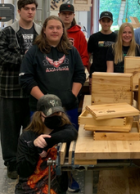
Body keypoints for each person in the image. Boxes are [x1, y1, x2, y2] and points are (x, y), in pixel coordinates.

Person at [19, 15, 85, 192]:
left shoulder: (71, 51)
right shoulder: (34, 51)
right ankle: (39, 180)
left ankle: (67, 177)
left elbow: (80, 74)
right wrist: (45, 102)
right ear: (45, 30)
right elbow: (26, 80)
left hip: (67, 109)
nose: (55, 30)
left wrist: (73, 94)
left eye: (58, 27)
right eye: (51, 27)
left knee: (67, 147)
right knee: (42, 147)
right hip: (41, 112)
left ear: (63, 30)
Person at [0, 0, 41, 179]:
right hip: (10, 89)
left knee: (31, 128)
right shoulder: (7, 32)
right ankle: (11, 163)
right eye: (27, 9)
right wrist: (26, 58)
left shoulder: (40, 32)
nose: (30, 12)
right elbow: (3, 57)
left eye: (33, 9)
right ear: (19, 10)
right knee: (10, 129)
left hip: (33, 90)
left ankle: (27, 162)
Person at [15, 94, 78, 194]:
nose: (55, 116)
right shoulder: (27, 136)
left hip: (55, 189)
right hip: (29, 189)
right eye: (50, 114)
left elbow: (72, 133)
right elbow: (23, 171)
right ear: (40, 114)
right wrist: (33, 146)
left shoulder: (64, 130)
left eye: (58, 113)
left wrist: (46, 143)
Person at [87, 11, 117, 81]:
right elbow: (87, 57)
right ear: (100, 21)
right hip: (96, 73)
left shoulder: (117, 37)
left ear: (111, 22)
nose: (106, 23)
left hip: (113, 73)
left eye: (108, 21)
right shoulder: (93, 37)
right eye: (103, 21)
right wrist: (91, 73)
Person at [58, 3, 89, 68]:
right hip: (56, 67)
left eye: (69, 14)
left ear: (73, 15)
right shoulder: (54, 32)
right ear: (59, 15)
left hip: (74, 68)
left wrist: (81, 69)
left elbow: (84, 55)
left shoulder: (79, 34)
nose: (67, 16)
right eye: (64, 13)